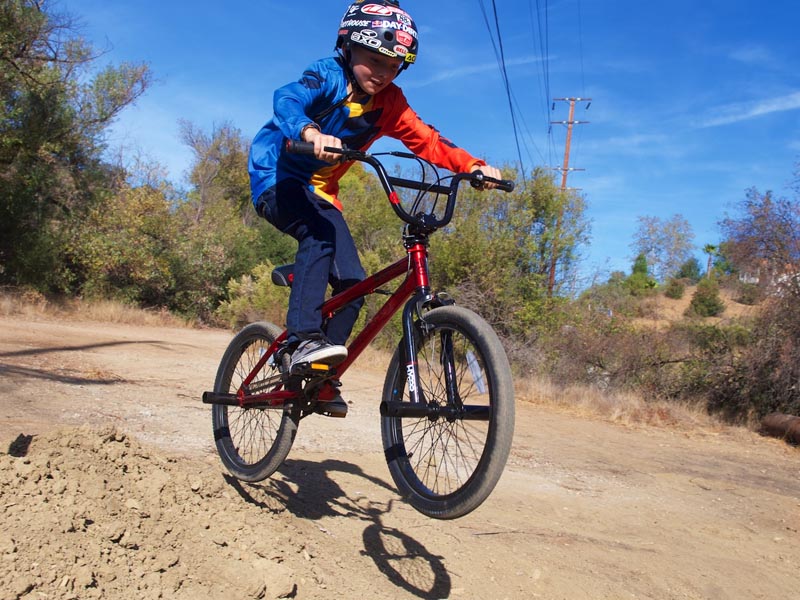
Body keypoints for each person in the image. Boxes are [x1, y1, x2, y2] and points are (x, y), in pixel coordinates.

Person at [248, 0, 504, 416]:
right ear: (348, 47)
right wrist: (310, 131)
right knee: (317, 236)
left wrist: (473, 166)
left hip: (322, 192)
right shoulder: (326, 76)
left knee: (354, 284)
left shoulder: (390, 103)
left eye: (394, 64)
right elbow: (288, 99)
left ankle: (319, 377)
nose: (383, 72)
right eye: (374, 59)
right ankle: (301, 342)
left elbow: (429, 141)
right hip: (276, 178)